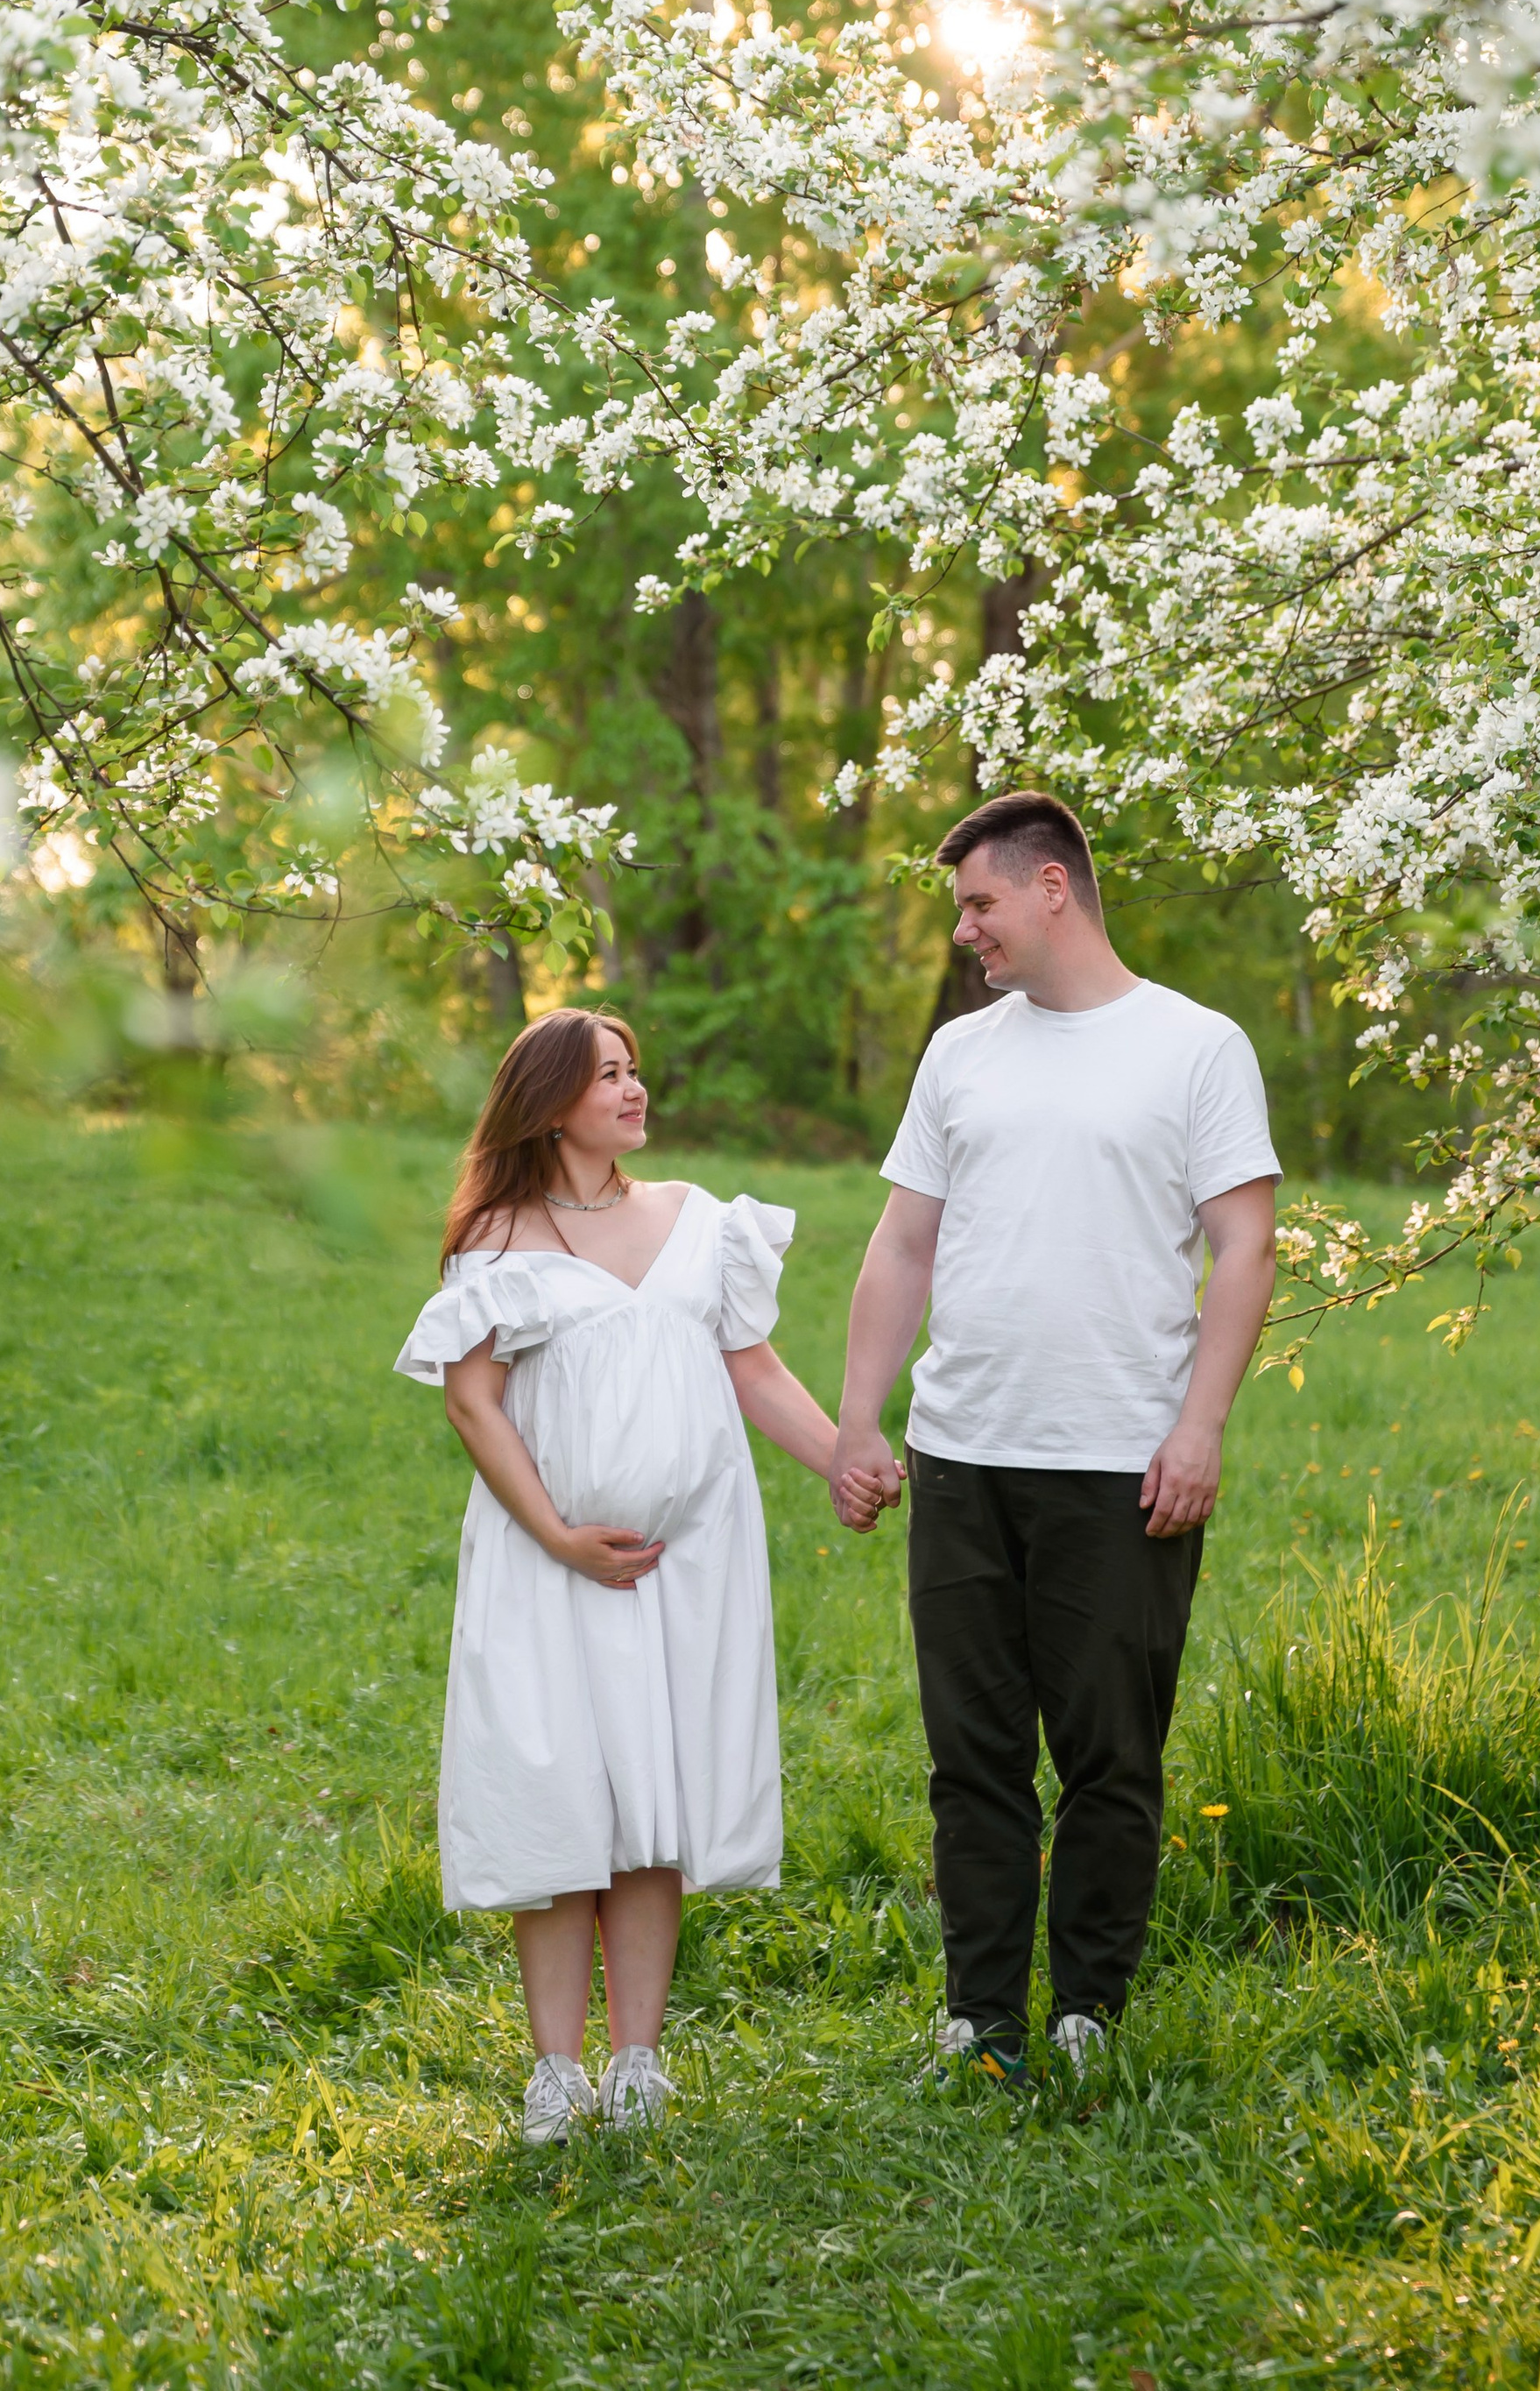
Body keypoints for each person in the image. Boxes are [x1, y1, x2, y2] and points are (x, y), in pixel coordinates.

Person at [830, 791, 1280, 2090]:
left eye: (977, 904)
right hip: (965, 1453)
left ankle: (1086, 2009)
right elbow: (903, 1242)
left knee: (1108, 1753)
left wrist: (1200, 1426)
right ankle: (981, 2020)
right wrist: (863, 1417)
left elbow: (1245, 1244)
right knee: (971, 1757)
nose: (965, 930)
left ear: (1050, 890)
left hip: (1122, 1461)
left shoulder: (1194, 1046)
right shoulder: (961, 1056)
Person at [396, 1007, 844, 2145]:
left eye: (637, 1070)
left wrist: (847, 1458)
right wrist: (555, 1534)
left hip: (683, 1561)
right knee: (562, 1802)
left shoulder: (698, 1221)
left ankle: (638, 2061)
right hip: (548, 1562)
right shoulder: (502, 1233)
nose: (636, 1089)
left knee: (656, 1803)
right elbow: (470, 1399)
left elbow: (754, 1368)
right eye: (609, 1075)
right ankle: (558, 2072)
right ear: (551, 1103)